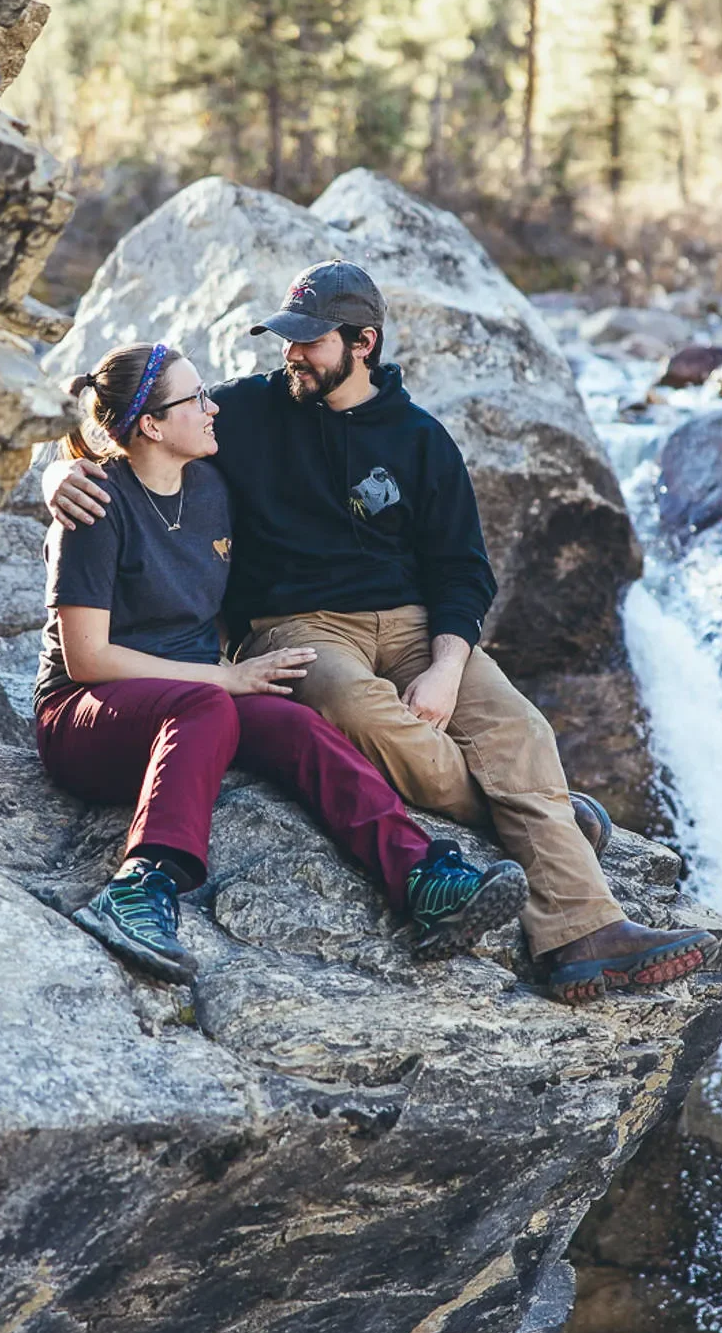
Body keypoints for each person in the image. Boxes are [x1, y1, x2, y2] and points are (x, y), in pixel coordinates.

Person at [46, 265, 717, 1004]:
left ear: (362, 343)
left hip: (413, 626)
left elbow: (464, 571)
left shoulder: (420, 441)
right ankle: (541, 816)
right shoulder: (238, 417)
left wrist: (445, 666)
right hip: (297, 628)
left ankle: (583, 937)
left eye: (309, 342)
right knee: (359, 712)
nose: (291, 354)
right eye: (286, 339)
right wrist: (58, 476)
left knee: (521, 730)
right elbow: (123, 431)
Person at [35, 337, 527, 987]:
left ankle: (422, 877)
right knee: (212, 704)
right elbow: (87, 658)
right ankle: (138, 887)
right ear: (151, 424)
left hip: (194, 714)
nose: (214, 409)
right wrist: (226, 677)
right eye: (197, 398)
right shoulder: (96, 505)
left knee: (297, 725)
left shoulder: (210, 487)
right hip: (87, 717)